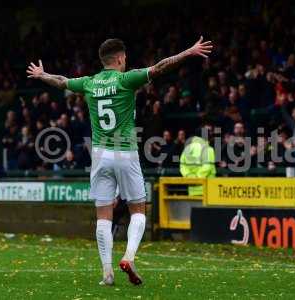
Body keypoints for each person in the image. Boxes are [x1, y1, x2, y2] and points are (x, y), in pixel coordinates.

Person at [26, 36, 212, 286]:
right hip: (125, 152)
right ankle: (129, 257)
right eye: (125, 58)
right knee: (138, 209)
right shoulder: (126, 79)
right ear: (120, 58)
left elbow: (61, 82)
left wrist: (42, 74)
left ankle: (107, 273)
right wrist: (188, 52)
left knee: (103, 216)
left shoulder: (90, 83)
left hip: (100, 155)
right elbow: (160, 67)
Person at [180, 124, 216, 195]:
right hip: (207, 190)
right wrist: (198, 179)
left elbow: (182, 166)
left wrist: (189, 177)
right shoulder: (208, 149)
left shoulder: (187, 148)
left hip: (192, 190)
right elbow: (207, 166)